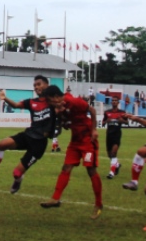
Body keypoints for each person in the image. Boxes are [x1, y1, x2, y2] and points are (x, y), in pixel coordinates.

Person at [0, 76, 56, 194]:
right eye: (34, 85)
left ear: (47, 85)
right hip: (28, 135)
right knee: (1, 144)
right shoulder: (31, 102)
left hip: (39, 145)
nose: (36, 87)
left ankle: (18, 180)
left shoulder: (53, 103)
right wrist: (5, 98)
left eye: (39, 84)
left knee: (16, 173)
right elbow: (16, 105)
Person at [41, 89, 105, 219]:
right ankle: (55, 198)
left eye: (50, 100)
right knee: (66, 167)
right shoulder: (61, 107)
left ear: (56, 97)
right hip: (75, 142)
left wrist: (94, 130)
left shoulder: (74, 102)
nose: (50, 104)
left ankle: (98, 204)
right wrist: (64, 122)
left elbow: (92, 110)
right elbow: (67, 121)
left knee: (91, 170)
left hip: (87, 140)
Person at [102, 98, 126, 178]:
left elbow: (126, 122)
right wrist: (106, 122)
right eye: (113, 100)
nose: (114, 102)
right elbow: (102, 123)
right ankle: (117, 165)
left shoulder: (122, 112)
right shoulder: (107, 112)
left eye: (116, 100)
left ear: (118, 102)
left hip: (117, 134)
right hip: (109, 135)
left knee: (113, 153)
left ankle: (111, 173)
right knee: (109, 154)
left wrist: (121, 120)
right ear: (111, 102)